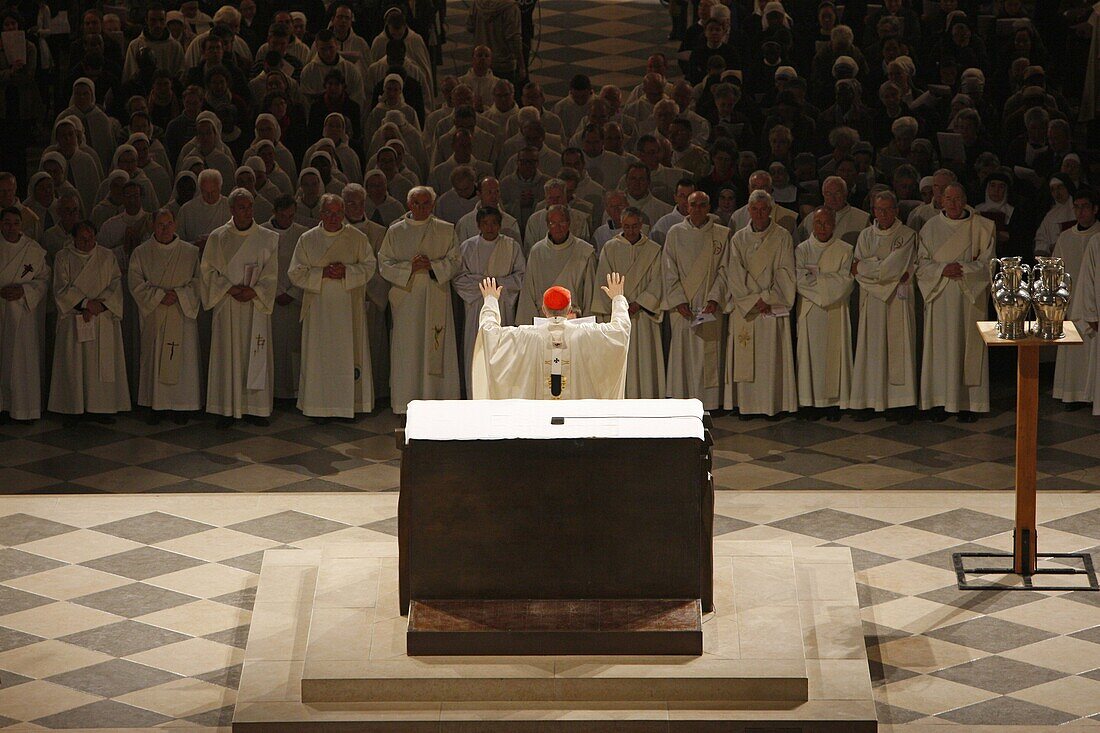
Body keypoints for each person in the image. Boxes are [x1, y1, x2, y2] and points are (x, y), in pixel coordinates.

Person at [471, 273, 630, 400]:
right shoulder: (586, 333)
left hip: (537, 418)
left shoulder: (526, 335)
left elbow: (489, 332)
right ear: (569, 309)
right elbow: (620, 329)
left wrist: (490, 300)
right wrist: (618, 299)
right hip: (576, 416)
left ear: (543, 309)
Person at [289, 194, 376, 420]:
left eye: (338, 213)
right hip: (318, 310)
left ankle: (350, 405)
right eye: (329, 212)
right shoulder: (307, 239)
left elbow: (369, 266)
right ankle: (318, 407)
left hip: (348, 309)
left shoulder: (356, 238)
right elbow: (295, 273)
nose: (334, 217)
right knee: (320, 357)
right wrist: (323, 273)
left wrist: (347, 272)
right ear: (321, 214)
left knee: (348, 355)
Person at [378, 186, 462, 414]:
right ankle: (405, 403)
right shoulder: (395, 231)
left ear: (433, 205)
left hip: (436, 296)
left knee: (435, 347)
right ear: (409, 205)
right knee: (409, 350)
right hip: (407, 300)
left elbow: (455, 260)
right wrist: (410, 267)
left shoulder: (445, 230)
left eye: (426, 203)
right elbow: (384, 263)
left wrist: (433, 266)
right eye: (417, 203)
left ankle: (439, 401)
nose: (421, 208)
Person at [916, 183, 995, 422]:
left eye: (957, 198)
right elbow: (921, 263)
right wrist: (942, 269)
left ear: (965, 200)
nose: (953, 203)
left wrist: (962, 269)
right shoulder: (930, 228)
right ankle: (940, 402)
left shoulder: (982, 227)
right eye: (948, 198)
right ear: (940, 201)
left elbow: (988, 263)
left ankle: (969, 403)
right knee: (940, 350)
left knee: (968, 348)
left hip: (969, 298)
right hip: (940, 298)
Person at [201, 188, 280, 426]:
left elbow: (272, 274)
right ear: (232, 210)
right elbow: (207, 273)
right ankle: (226, 408)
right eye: (242, 208)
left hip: (255, 305)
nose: (247, 212)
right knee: (228, 354)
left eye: (250, 207)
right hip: (228, 305)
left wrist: (254, 291)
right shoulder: (218, 237)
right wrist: (232, 289)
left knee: (254, 353)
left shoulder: (267, 237)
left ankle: (256, 408)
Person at [720, 190, 798, 417]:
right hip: (748, 310)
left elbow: (785, 272)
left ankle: (771, 405)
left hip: (771, 308)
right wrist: (755, 300)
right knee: (748, 357)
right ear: (749, 210)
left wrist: (768, 298)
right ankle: (747, 405)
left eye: (764, 209)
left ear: (771, 210)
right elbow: (734, 273)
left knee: (769, 358)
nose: (760, 213)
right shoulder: (738, 239)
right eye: (755, 209)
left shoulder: (782, 236)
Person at [48, 220, 131, 422]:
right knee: (74, 364)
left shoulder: (106, 256)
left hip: (102, 318)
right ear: (74, 238)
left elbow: (115, 285)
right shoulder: (63, 257)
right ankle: (73, 408)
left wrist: (99, 306)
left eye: (91, 238)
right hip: (75, 317)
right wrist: (84, 304)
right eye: (83, 239)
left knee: (100, 366)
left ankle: (102, 407)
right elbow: (60, 288)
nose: (88, 242)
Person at [128, 209, 202, 422]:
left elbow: (198, 282)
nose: (165, 228)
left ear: (176, 224)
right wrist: (159, 296)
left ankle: (182, 405)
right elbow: (135, 283)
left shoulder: (190, 252)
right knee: (155, 358)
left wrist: (179, 295)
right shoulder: (141, 253)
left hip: (181, 313)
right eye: (160, 224)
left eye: (169, 223)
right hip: (156, 314)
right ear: (153, 225)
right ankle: (156, 405)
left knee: (182, 360)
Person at [849, 191, 918, 421]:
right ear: (873, 211)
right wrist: (874, 272)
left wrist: (870, 269)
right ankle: (870, 400)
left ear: (897, 210)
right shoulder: (865, 235)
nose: (884, 213)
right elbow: (856, 271)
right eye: (879, 209)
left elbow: (894, 269)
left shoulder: (907, 235)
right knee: (872, 348)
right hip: (872, 303)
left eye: (888, 209)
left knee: (899, 348)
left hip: (897, 301)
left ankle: (901, 403)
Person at [663, 192, 727, 410]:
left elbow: (725, 271)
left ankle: (709, 403)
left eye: (702, 205)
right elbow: (668, 269)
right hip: (683, 307)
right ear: (685, 207)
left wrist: (715, 298)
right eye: (693, 205)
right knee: (684, 355)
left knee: (708, 355)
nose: (697, 209)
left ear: (709, 207)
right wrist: (679, 300)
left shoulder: (721, 234)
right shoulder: (675, 233)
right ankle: (682, 400)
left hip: (709, 305)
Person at [452, 206, 526, 394]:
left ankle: (502, 393)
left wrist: (495, 286)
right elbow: (459, 278)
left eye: (494, 223)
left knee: (502, 349)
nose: (490, 227)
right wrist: (485, 289)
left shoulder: (511, 246)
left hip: (502, 305)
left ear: (500, 225)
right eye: (485, 223)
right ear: (478, 225)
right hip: (476, 305)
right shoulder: (468, 247)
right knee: (474, 349)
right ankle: (474, 393)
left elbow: (520, 276)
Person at [594, 207, 665, 399]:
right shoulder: (610, 247)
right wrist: (619, 304)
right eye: (626, 226)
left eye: (634, 226)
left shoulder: (652, 249)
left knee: (644, 359)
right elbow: (604, 278)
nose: (631, 230)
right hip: (619, 313)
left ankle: (646, 397)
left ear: (641, 225)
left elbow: (658, 281)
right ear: (621, 225)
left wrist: (639, 303)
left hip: (642, 314)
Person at [795, 207, 855, 420]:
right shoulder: (802, 250)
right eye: (818, 223)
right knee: (809, 358)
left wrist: (818, 282)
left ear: (834, 225)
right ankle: (809, 403)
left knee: (835, 356)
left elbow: (846, 281)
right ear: (812, 224)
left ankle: (834, 404)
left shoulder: (845, 249)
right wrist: (828, 282)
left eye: (827, 223)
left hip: (836, 311)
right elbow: (800, 280)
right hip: (810, 313)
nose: (822, 227)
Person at [1052, 188, 1100, 409]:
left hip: (1094, 303)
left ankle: (1092, 394)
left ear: (1095, 209)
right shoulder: (1066, 237)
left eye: (1085, 207)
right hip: (1071, 303)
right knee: (1073, 352)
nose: (1080, 212)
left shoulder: (1098, 238)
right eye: (1077, 207)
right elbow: (1055, 270)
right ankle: (1072, 394)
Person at [0, 206, 49, 422]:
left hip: (22, 313)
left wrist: (23, 291)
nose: (11, 227)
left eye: (16, 223)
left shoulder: (32, 250)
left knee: (22, 361)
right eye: (7, 223)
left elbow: (43, 279)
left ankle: (23, 409)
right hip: (0, 310)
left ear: (22, 225)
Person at [517, 205, 597, 324]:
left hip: (574, 320)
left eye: (562, 222)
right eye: (553, 223)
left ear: (569, 223)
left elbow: (589, 294)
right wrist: (528, 325)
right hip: (543, 321)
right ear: (547, 225)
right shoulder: (537, 252)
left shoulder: (584, 252)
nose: (558, 228)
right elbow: (528, 292)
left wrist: (587, 326)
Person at [262, 195, 307, 402]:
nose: (287, 220)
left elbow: (305, 266)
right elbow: (262, 266)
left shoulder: (302, 234)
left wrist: (291, 293)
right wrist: (277, 291)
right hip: (270, 300)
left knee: (294, 348)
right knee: (272, 348)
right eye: (283, 215)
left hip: (294, 300)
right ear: (274, 212)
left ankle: (293, 392)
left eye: (291, 215)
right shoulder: (262, 233)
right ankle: (272, 392)